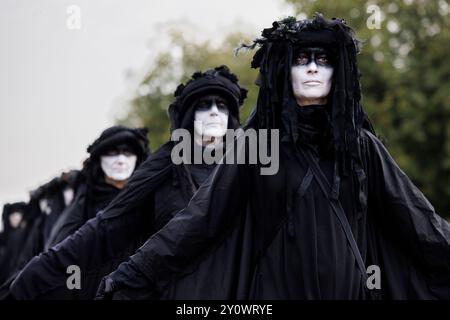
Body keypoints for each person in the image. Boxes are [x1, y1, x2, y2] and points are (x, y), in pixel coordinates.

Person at [96, 15, 450, 300]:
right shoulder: (258, 146)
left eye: (322, 60)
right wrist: (134, 273)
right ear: (284, 70)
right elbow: (200, 219)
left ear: (336, 72)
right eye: (301, 59)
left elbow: (419, 222)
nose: (312, 68)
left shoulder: (360, 147)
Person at [8, 65, 247, 299]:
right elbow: (106, 229)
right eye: (204, 106)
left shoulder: (246, 169)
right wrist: (41, 271)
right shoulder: (163, 170)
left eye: (222, 106)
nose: (214, 112)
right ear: (188, 115)